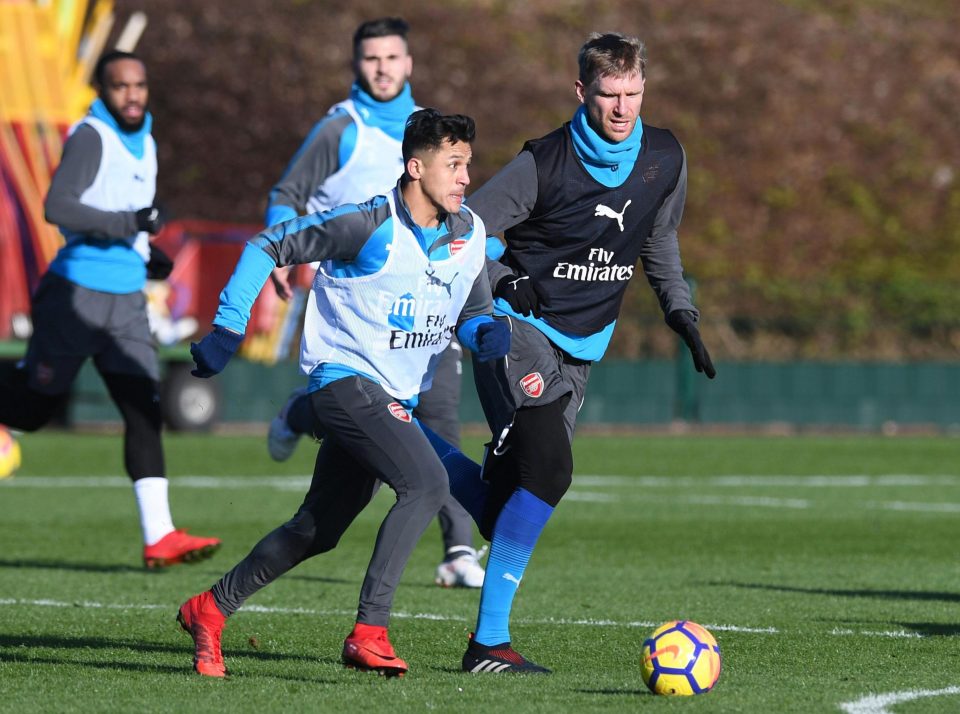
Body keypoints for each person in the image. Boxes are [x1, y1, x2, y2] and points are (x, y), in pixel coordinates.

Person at [177, 109, 510, 678]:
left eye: (467, 166)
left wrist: (488, 334)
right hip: (342, 381)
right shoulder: (366, 224)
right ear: (414, 166)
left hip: (390, 399)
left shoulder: (469, 233)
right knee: (426, 482)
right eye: (453, 165)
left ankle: (209, 607)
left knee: (318, 530)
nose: (464, 178)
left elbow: (474, 313)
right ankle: (369, 632)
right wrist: (229, 326)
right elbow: (267, 245)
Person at [423, 32, 717, 674]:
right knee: (552, 472)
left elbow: (658, 239)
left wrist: (680, 310)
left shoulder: (664, 157)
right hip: (514, 330)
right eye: (609, 94)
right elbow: (461, 230)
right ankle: (488, 646)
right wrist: (501, 287)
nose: (622, 109)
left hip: (581, 349)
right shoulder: (543, 164)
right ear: (582, 91)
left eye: (633, 93)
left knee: (509, 507)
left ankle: (400, 435)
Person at [262, 16, 486, 589]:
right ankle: (298, 412)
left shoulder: (432, 136)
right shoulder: (342, 128)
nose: (383, 67)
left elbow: (461, 220)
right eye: (371, 58)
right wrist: (283, 254)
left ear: (409, 64)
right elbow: (287, 194)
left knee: (437, 418)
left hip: (422, 308)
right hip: (355, 309)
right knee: (353, 420)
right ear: (357, 65)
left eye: (392, 57)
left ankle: (459, 548)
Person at [0, 50, 221, 568]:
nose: (133, 94)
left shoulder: (145, 139)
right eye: (120, 86)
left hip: (125, 302)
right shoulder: (91, 135)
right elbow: (59, 207)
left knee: (143, 409)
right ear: (102, 90)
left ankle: (159, 534)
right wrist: (129, 225)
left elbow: (130, 216)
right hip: (75, 296)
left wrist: (148, 254)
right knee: (35, 409)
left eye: (139, 85)